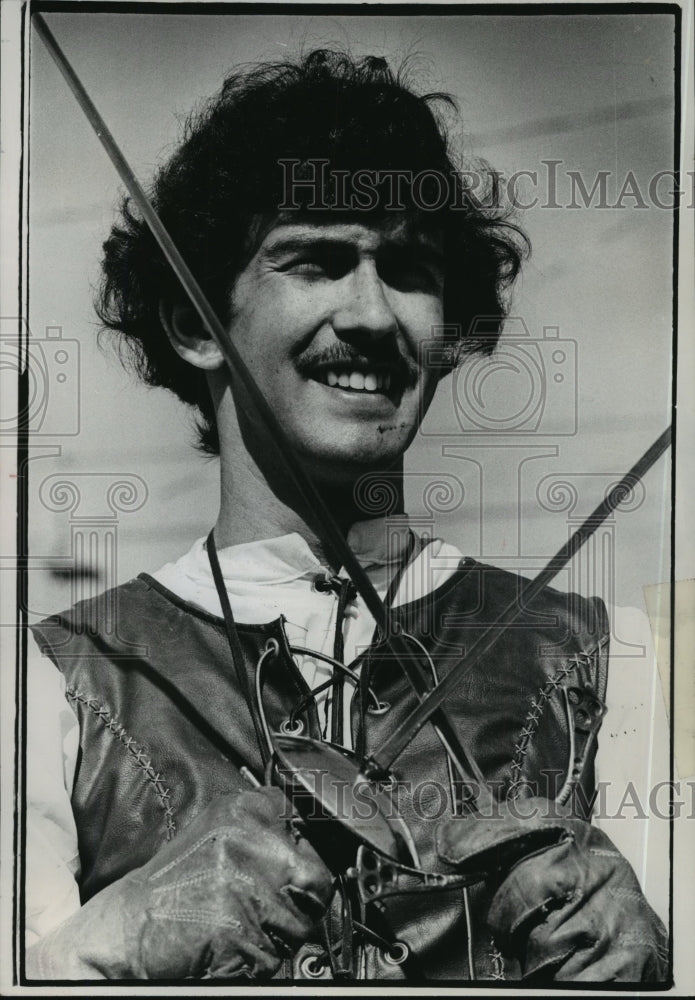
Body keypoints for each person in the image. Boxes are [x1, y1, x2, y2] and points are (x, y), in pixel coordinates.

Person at [25, 49, 668, 983]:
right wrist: (111, 942)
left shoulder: (615, 659)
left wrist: (655, 964)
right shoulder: (52, 684)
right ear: (196, 323)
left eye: (406, 268)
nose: (370, 314)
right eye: (317, 260)